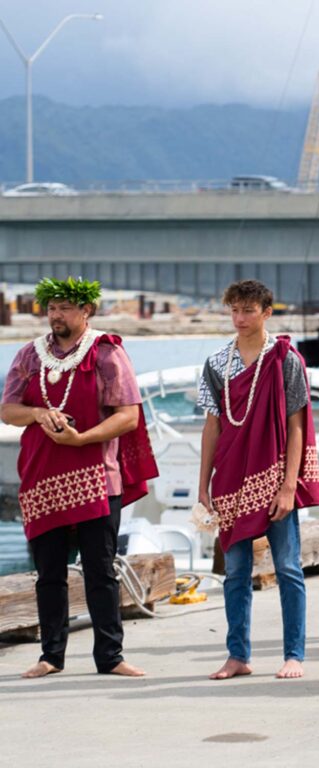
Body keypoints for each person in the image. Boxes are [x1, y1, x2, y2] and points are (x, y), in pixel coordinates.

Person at [1, 277, 157, 679]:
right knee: (48, 574)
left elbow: (128, 416)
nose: (56, 315)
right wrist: (37, 413)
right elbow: (8, 410)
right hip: (41, 478)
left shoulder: (106, 353)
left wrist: (82, 438)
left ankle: (110, 656)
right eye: (52, 308)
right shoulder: (28, 356)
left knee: (100, 570)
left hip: (97, 477)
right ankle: (51, 656)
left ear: (86, 311)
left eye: (65, 308)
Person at [197, 279, 319, 681]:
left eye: (248, 310)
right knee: (235, 571)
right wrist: (203, 485)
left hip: (274, 476)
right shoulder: (217, 363)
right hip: (231, 478)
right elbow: (212, 424)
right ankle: (238, 655)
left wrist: (289, 486)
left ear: (267, 313)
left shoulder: (285, 358)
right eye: (234, 310)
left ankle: (294, 654)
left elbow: (297, 422)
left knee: (287, 567)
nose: (240, 318)